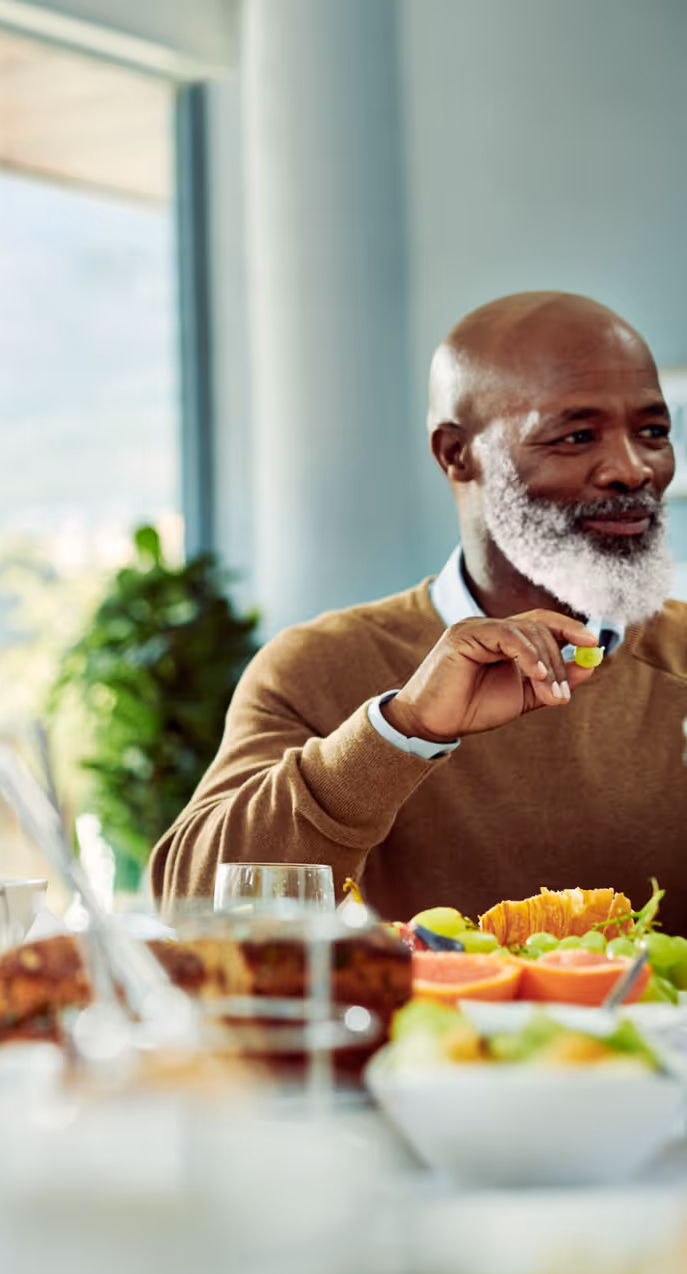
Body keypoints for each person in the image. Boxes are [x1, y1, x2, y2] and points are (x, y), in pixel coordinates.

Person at [152, 292, 687, 922]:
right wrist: (400, 732)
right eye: (576, 436)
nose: (634, 469)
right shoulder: (315, 666)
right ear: (456, 454)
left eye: (653, 432)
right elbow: (193, 908)